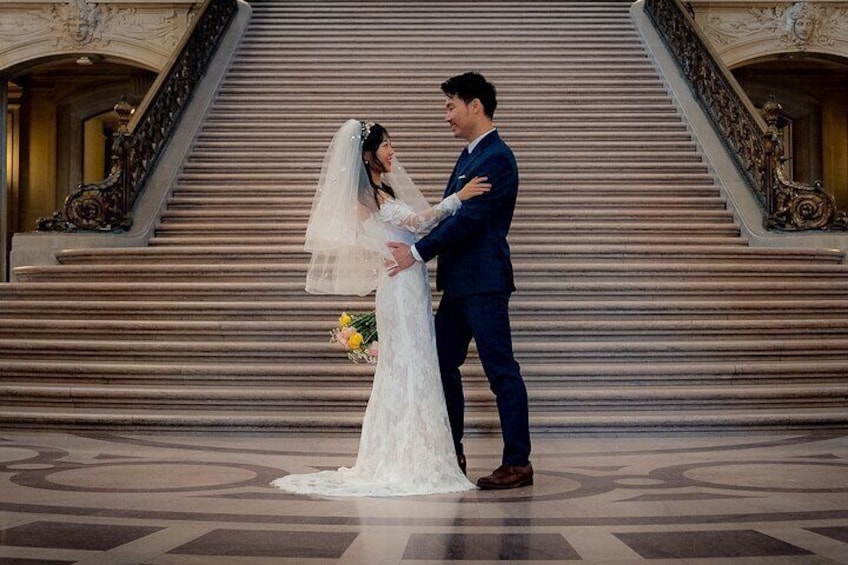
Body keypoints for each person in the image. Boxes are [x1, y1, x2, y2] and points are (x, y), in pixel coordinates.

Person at [271, 119, 490, 497]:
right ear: (368, 154)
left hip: (408, 284)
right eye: (386, 144)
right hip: (400, 286)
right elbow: (418, 222)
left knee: (414, 363)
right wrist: (460, 197)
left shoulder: (380, 192)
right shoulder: (370, 198)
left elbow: (411, 229)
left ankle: (416, 450)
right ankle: (407, 457)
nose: (393, 151)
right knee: (408, 364)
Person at [387, 72, 532, 490]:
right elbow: (450, 209)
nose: (446, 115)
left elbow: (469, 220)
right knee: (441, 364)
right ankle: (452, 450)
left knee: (501, 369)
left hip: (484, 281)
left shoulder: (496, 158)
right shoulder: (471, 155)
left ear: (475, 106)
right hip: (459, 284)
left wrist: (415, 254)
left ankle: (518, 462)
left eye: (451, 106)